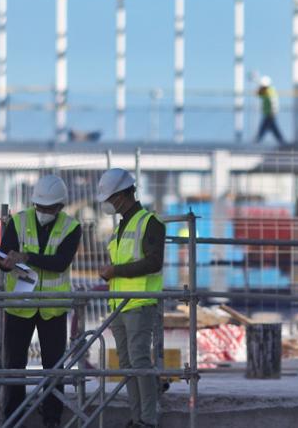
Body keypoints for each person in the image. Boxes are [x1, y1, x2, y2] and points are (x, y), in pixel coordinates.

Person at [0, 175, 82, 428]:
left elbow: (60, 263)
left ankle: (52, 419)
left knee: (54, 368)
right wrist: (4, 262)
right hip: (20, 305)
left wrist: (27, 256)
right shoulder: (18, 221)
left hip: (52, 308)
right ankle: (14, 418)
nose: (44, 212)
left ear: (60, 206)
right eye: (40, 207)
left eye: (49, 208)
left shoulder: (71, 226)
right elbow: (4, 258)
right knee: (15, 367)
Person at [96, 168, 164, 428]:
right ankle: (137, 418)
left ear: (124, 195)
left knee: (139, 361)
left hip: (139, 302)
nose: (110, 204)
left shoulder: (149, 222)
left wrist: (116, 271)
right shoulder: (122, 225)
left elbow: (154, 262)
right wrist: (111, 273)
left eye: (112, 198)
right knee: (127, 364)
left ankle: (148, 419)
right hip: (119, 303)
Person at [255, 76, 285, 145]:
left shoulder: (270, 91)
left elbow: (273, 102)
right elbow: (258, 93)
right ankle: (281, 141)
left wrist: (273, 111)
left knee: (266, 128)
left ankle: (258, 140)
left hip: (270, 113)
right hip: (268, 113)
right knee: (272, 128)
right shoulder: (266, 91)